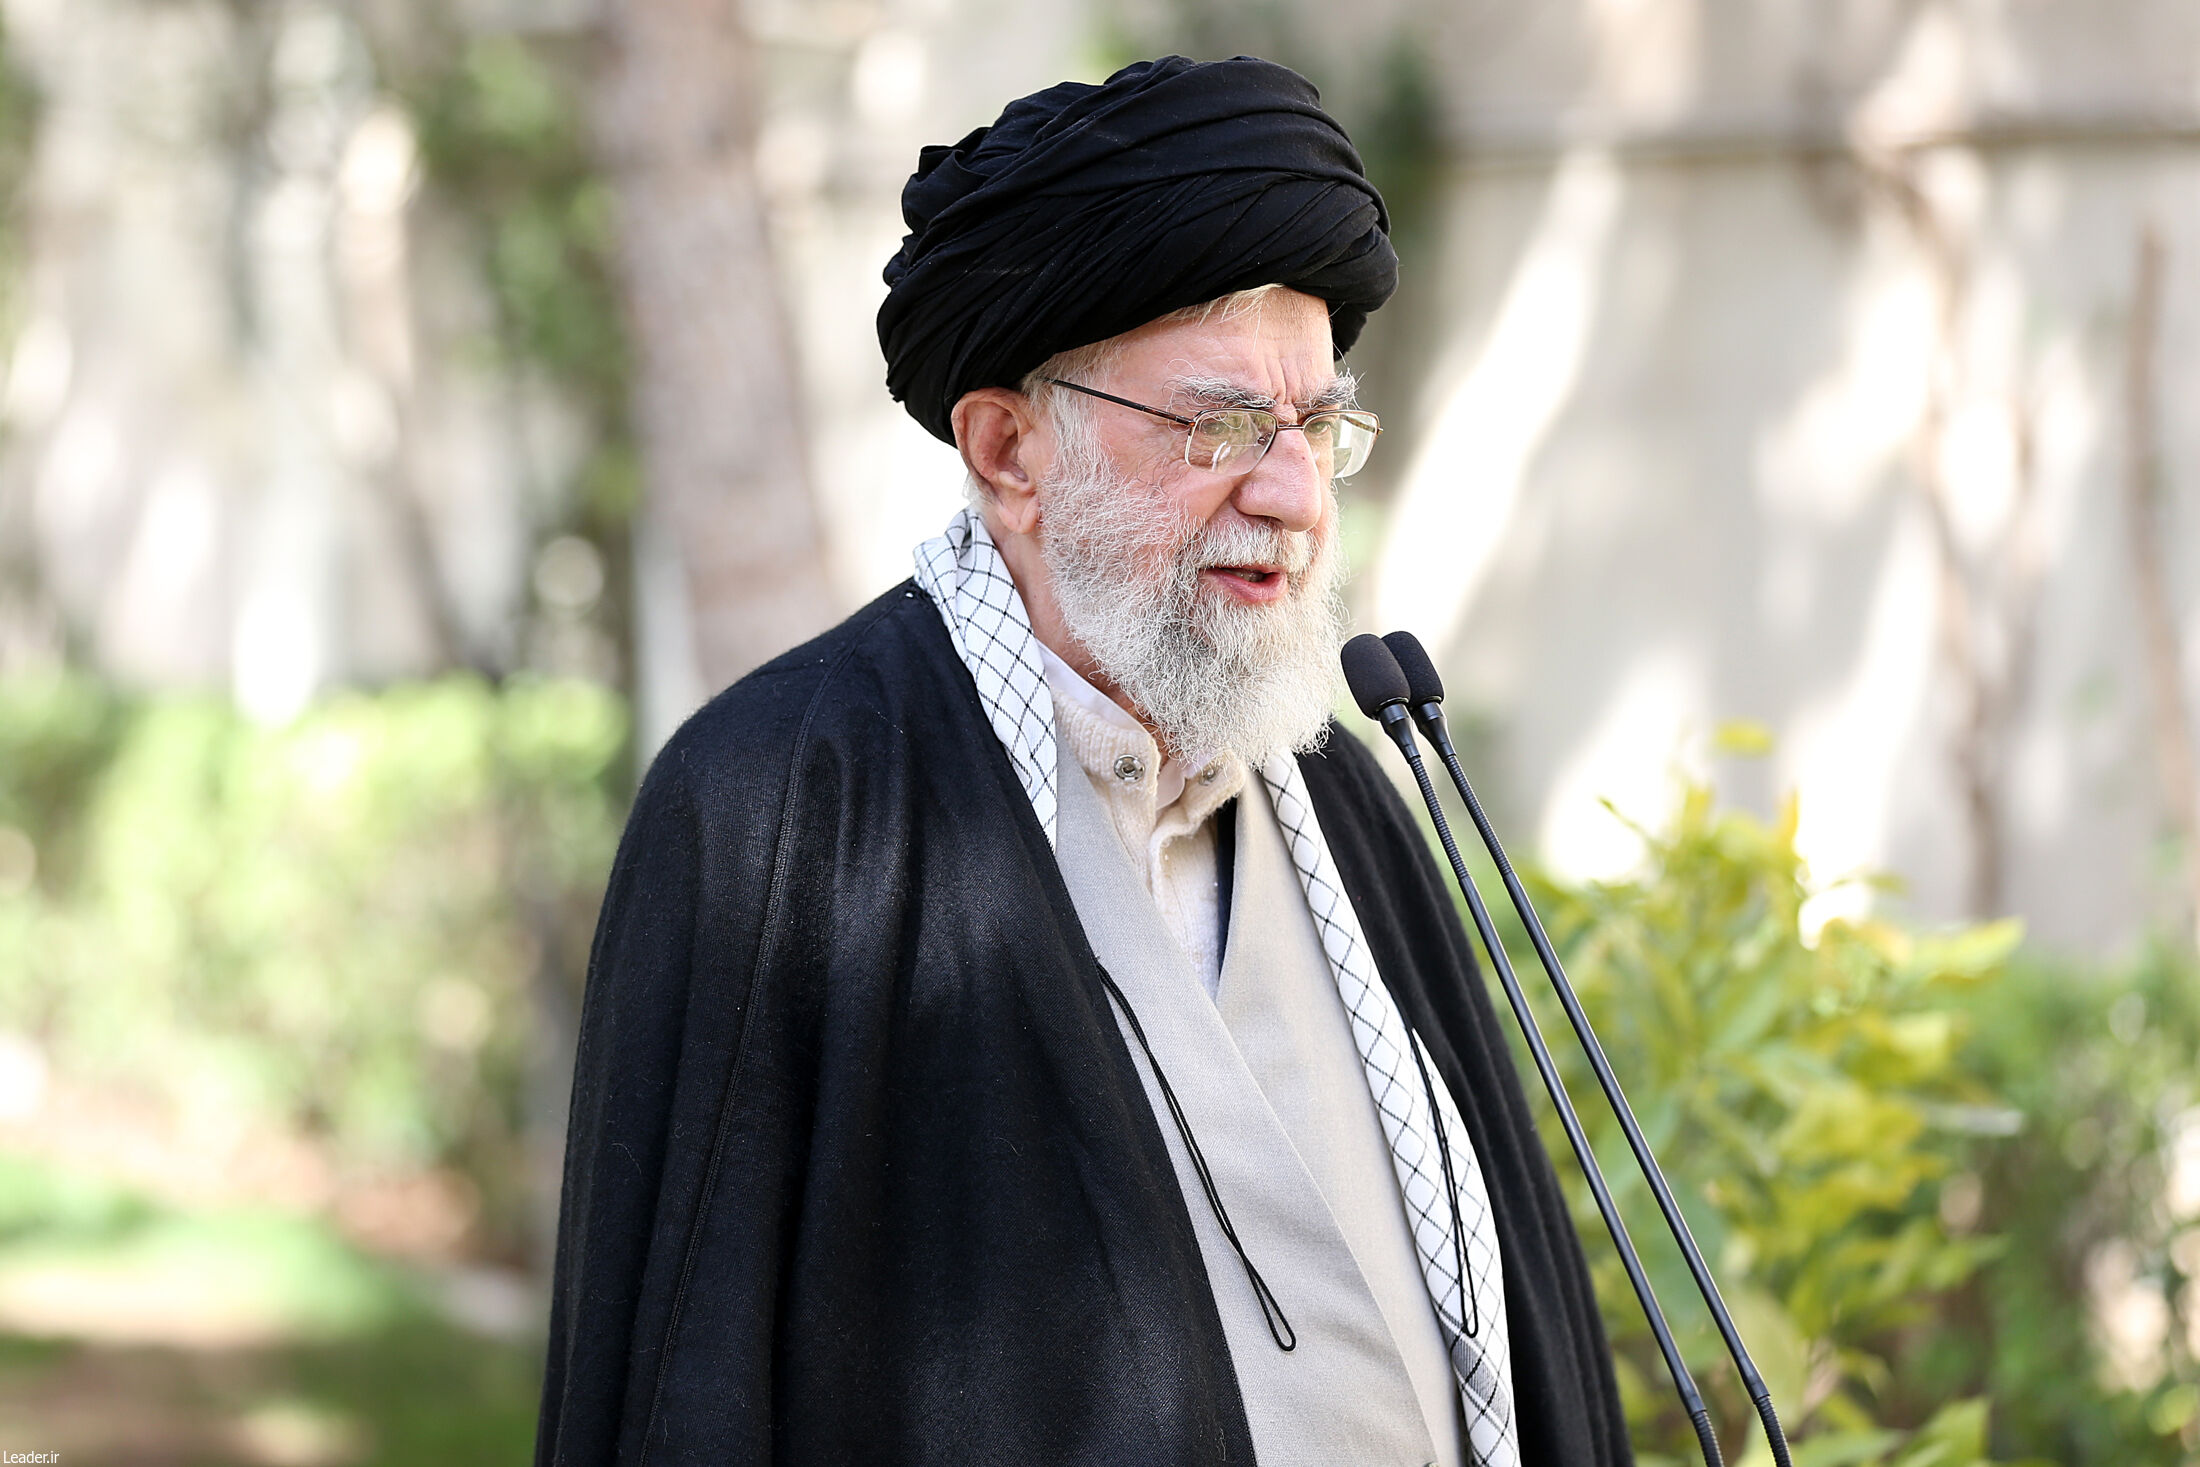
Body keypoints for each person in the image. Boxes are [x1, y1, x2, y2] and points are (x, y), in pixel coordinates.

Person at [536, 55, 1629, 1467]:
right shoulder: (781, 810)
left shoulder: (1349, 801)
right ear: (1008, 450)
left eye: (1316, 426)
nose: (1293, 493)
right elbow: (681, 1396)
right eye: (1221, 427)